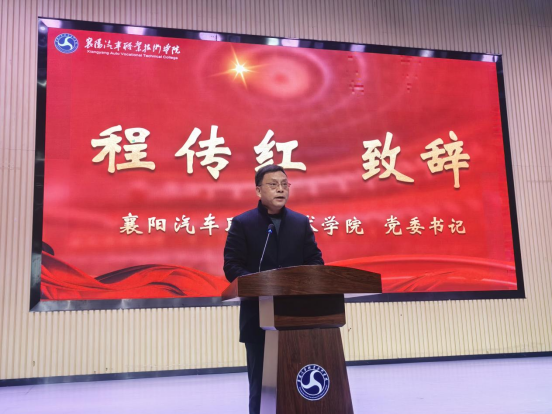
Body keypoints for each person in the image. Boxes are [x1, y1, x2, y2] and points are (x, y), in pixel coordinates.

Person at [223, 164, 324, 414]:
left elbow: (315, 261)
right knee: (261, 386)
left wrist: (299, 281)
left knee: (299, 381)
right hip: (259, 318)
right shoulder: (243, 223)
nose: (280, 189)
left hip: (297, 317)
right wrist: (262, 284)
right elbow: (232, 266)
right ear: (258, 190)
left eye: (284, 184)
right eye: (273, 184)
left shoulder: (300, 223)